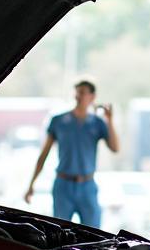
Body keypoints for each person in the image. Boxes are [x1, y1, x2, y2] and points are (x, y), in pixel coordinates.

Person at [25, 80, 119, 226]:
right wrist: (32, 184)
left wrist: (109, 120)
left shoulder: (97, 123)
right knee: (60, 231)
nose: (78, 96)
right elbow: (43, 155)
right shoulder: (58, 121)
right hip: (63, 185)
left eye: (82, 92)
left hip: (87, 185)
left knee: (93, 233)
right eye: (77, 92)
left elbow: (115, 148)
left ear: (92, 97)